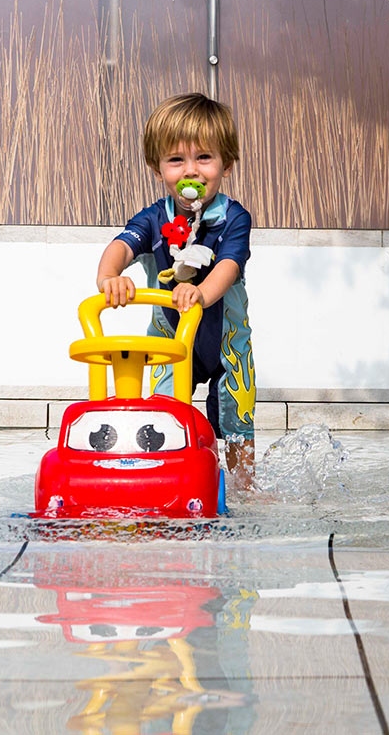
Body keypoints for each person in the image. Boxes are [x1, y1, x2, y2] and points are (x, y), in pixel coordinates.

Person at [95, 92, 256, 488]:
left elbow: (228, 266)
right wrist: (109, 278)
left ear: (226, 163)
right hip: (171, 344)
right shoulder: (153, 219)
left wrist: (200, 294)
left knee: (236, 419)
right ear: (157, 167)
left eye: (204, 158)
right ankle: (173, 480)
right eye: (176, 160)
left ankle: (243, 487)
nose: (192, 171)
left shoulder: (233, 218)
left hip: (227, 345)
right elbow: (119, 247)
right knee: (166, 417)